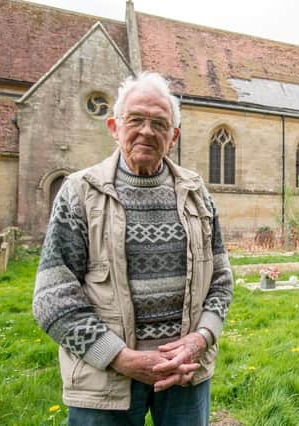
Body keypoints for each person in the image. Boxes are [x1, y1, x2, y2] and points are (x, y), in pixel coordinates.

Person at [33, 72, 233, 425]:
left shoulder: (197, 193)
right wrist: (120, 357)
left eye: (159, 123)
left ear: (173, 136)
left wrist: (199, 340)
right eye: (136, 119)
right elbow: (52, 296)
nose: (147, 131)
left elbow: (220, 280)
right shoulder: (79, 193)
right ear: (114, 126)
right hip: (105, 380)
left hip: (185, 373)